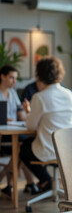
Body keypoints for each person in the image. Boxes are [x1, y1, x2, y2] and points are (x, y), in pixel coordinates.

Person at [19, 56, 72, 192]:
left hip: (47, 150)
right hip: (66, 150)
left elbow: (31, 126)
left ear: (40, 75)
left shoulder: (39, 97)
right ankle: (48, 182)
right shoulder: (69, 94)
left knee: (23, 149)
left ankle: (46, 179)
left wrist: (28, 112)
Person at [0, 65, 38, 198]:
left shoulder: (13, 93)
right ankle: (29, 182)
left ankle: (10, 185)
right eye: (11, 77)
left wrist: (27, 111)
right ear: (2, 76)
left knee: (23, 146)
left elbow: (20, 115)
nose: (14, 82)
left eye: (15, 78)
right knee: (22, 148)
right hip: (3, 135)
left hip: (14, 131)